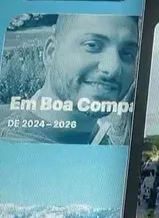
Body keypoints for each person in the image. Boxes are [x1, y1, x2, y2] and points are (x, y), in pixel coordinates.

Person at [0, 14, 139, 144]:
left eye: (128, 53)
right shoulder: (14, 144)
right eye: (92, 45)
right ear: (50, 53)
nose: (113, 68)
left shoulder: (108, 141)